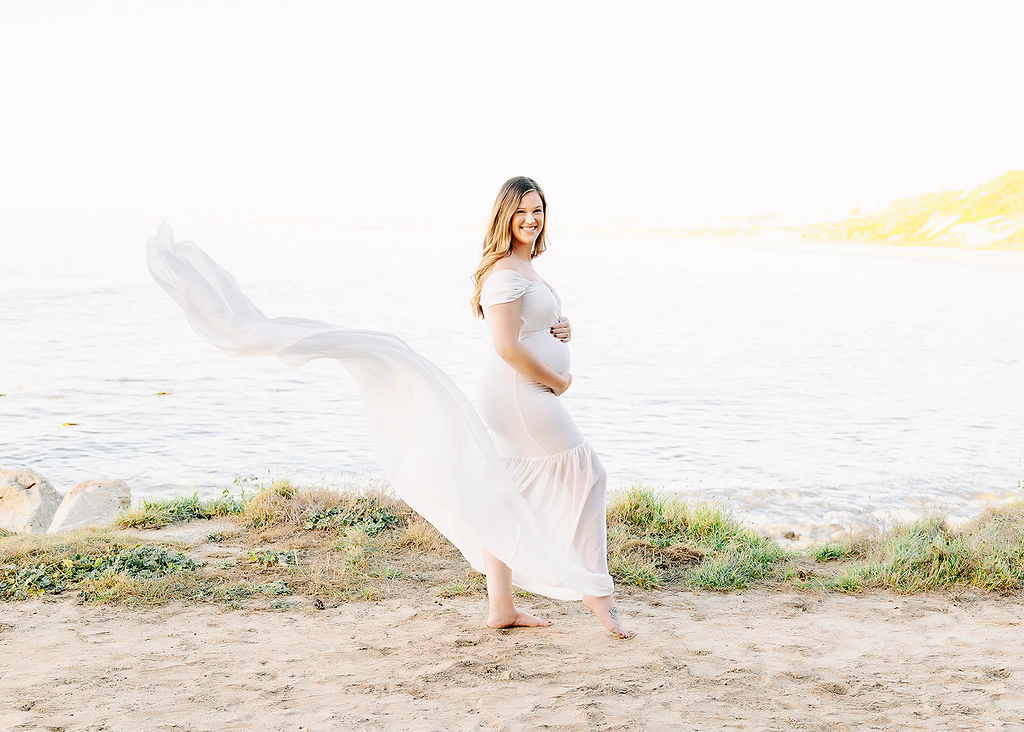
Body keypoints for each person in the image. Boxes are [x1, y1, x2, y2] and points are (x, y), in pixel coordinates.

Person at [471, 176, 630, 639]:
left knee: (505, 494)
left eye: (537, 210)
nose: (530, 220)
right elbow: (505, 347)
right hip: (520, 393)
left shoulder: (524, 267)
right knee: (588, 473)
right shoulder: (503, 272)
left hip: (521, 391)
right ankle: (594, 589)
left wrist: (560, 327)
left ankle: (501, 606)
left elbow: (529, 327)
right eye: (521, 211)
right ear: (504, 216)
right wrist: (557, 378)